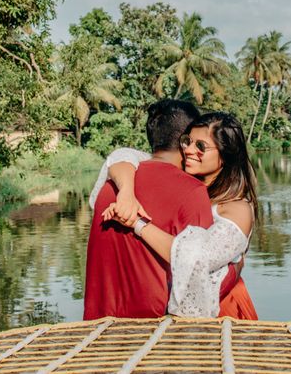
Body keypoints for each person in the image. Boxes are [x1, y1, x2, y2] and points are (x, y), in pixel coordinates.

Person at [84, 100, 238, 319]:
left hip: (97, 325)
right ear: (186, 140)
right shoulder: (191, 191)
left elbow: (122, 155)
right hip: (155, 332)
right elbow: (198, 278)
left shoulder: (110, 187)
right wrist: (237, 267)